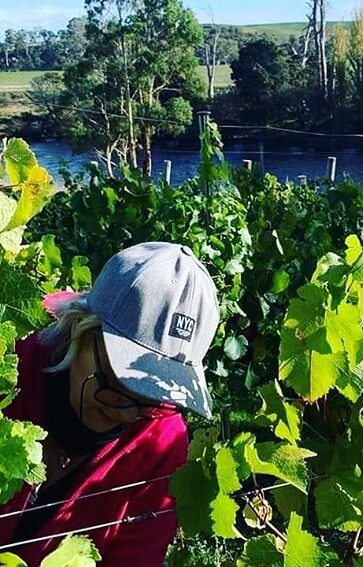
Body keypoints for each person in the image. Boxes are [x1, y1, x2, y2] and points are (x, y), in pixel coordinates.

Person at [0, 242, 219, 566]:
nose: (126, 411)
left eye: (149, 397)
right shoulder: (10, 361)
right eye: (118, 381)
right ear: (79, 329)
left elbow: (136, 557)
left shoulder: (162, 441)